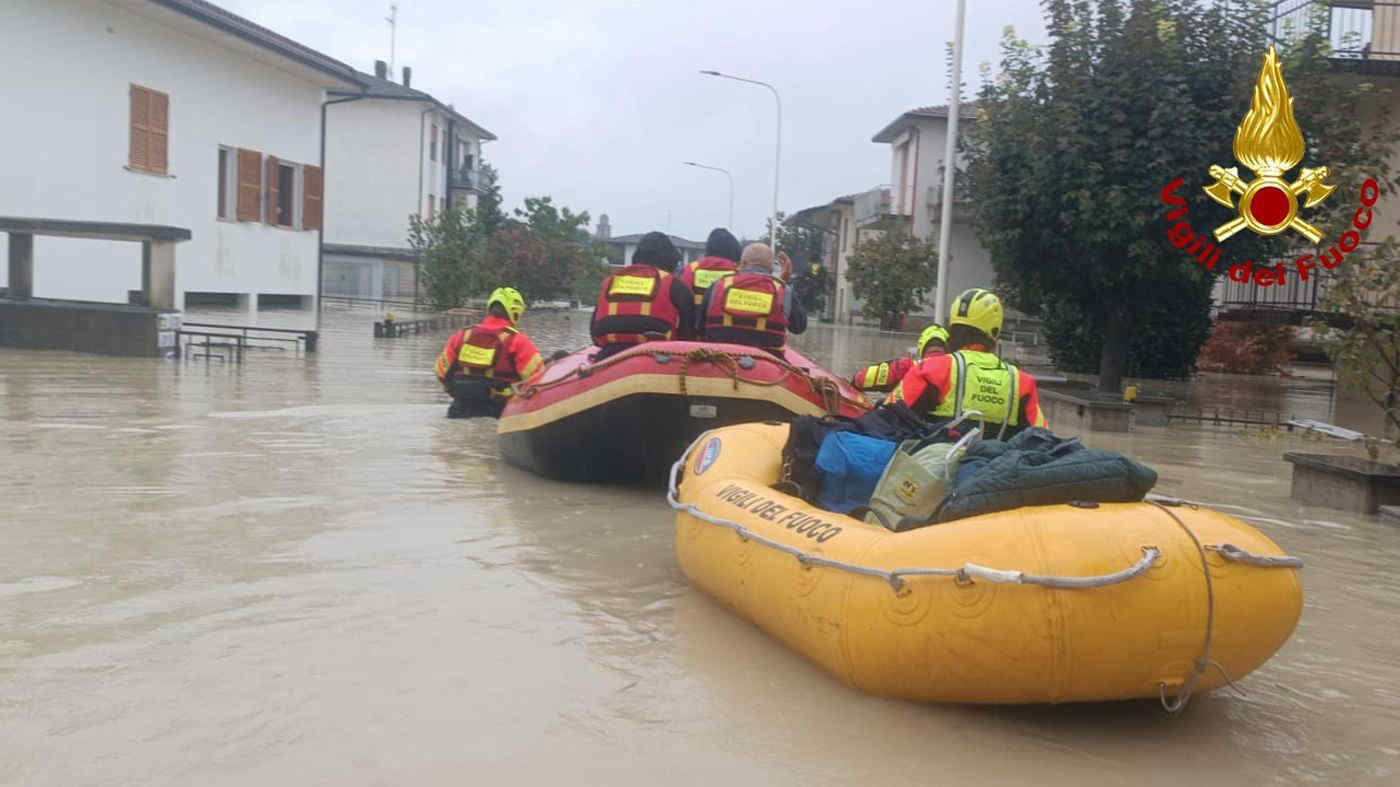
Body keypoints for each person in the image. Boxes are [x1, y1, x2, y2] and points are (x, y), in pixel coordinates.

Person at [885, 288, 1047, 439]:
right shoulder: (1021, 382)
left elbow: (886, 420)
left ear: (952, 328)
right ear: (995, 332)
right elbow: (1042, 437)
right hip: (996, 467)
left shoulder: (931, 369)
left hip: (935, 466)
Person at [433, 286, 543, 419]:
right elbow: (537, 379)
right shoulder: (518, 342)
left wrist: (459, 391)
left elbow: (440, 372)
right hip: (498, 413)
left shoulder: (461, 336)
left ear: (489, 309)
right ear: (516, 313)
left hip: (458, 411)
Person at [591, 231, 696, 360]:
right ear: (671, 261)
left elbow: (594, 332)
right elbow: (688, 338)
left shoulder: (610, 281)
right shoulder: (676, 286)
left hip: (608, 355)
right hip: (659, 358)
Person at [700, 243, 807, 351]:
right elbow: (799, 327)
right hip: (768, 361)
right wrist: (785, 283)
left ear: (743, 263)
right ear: (770, 268)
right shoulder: (783, 291)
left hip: (719, 359)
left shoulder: (717, 286)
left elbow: (700, 326)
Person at [851, 323, 949, 392]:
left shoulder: (907, 367)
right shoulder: (958, 370)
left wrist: (854, 381)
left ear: (921, 347)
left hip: (910, 419)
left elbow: (863, 379)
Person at [679, 228, 741, 331]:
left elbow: (683, 302)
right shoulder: (737, 272)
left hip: (694, 330)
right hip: (724, 330)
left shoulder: (692, 269)